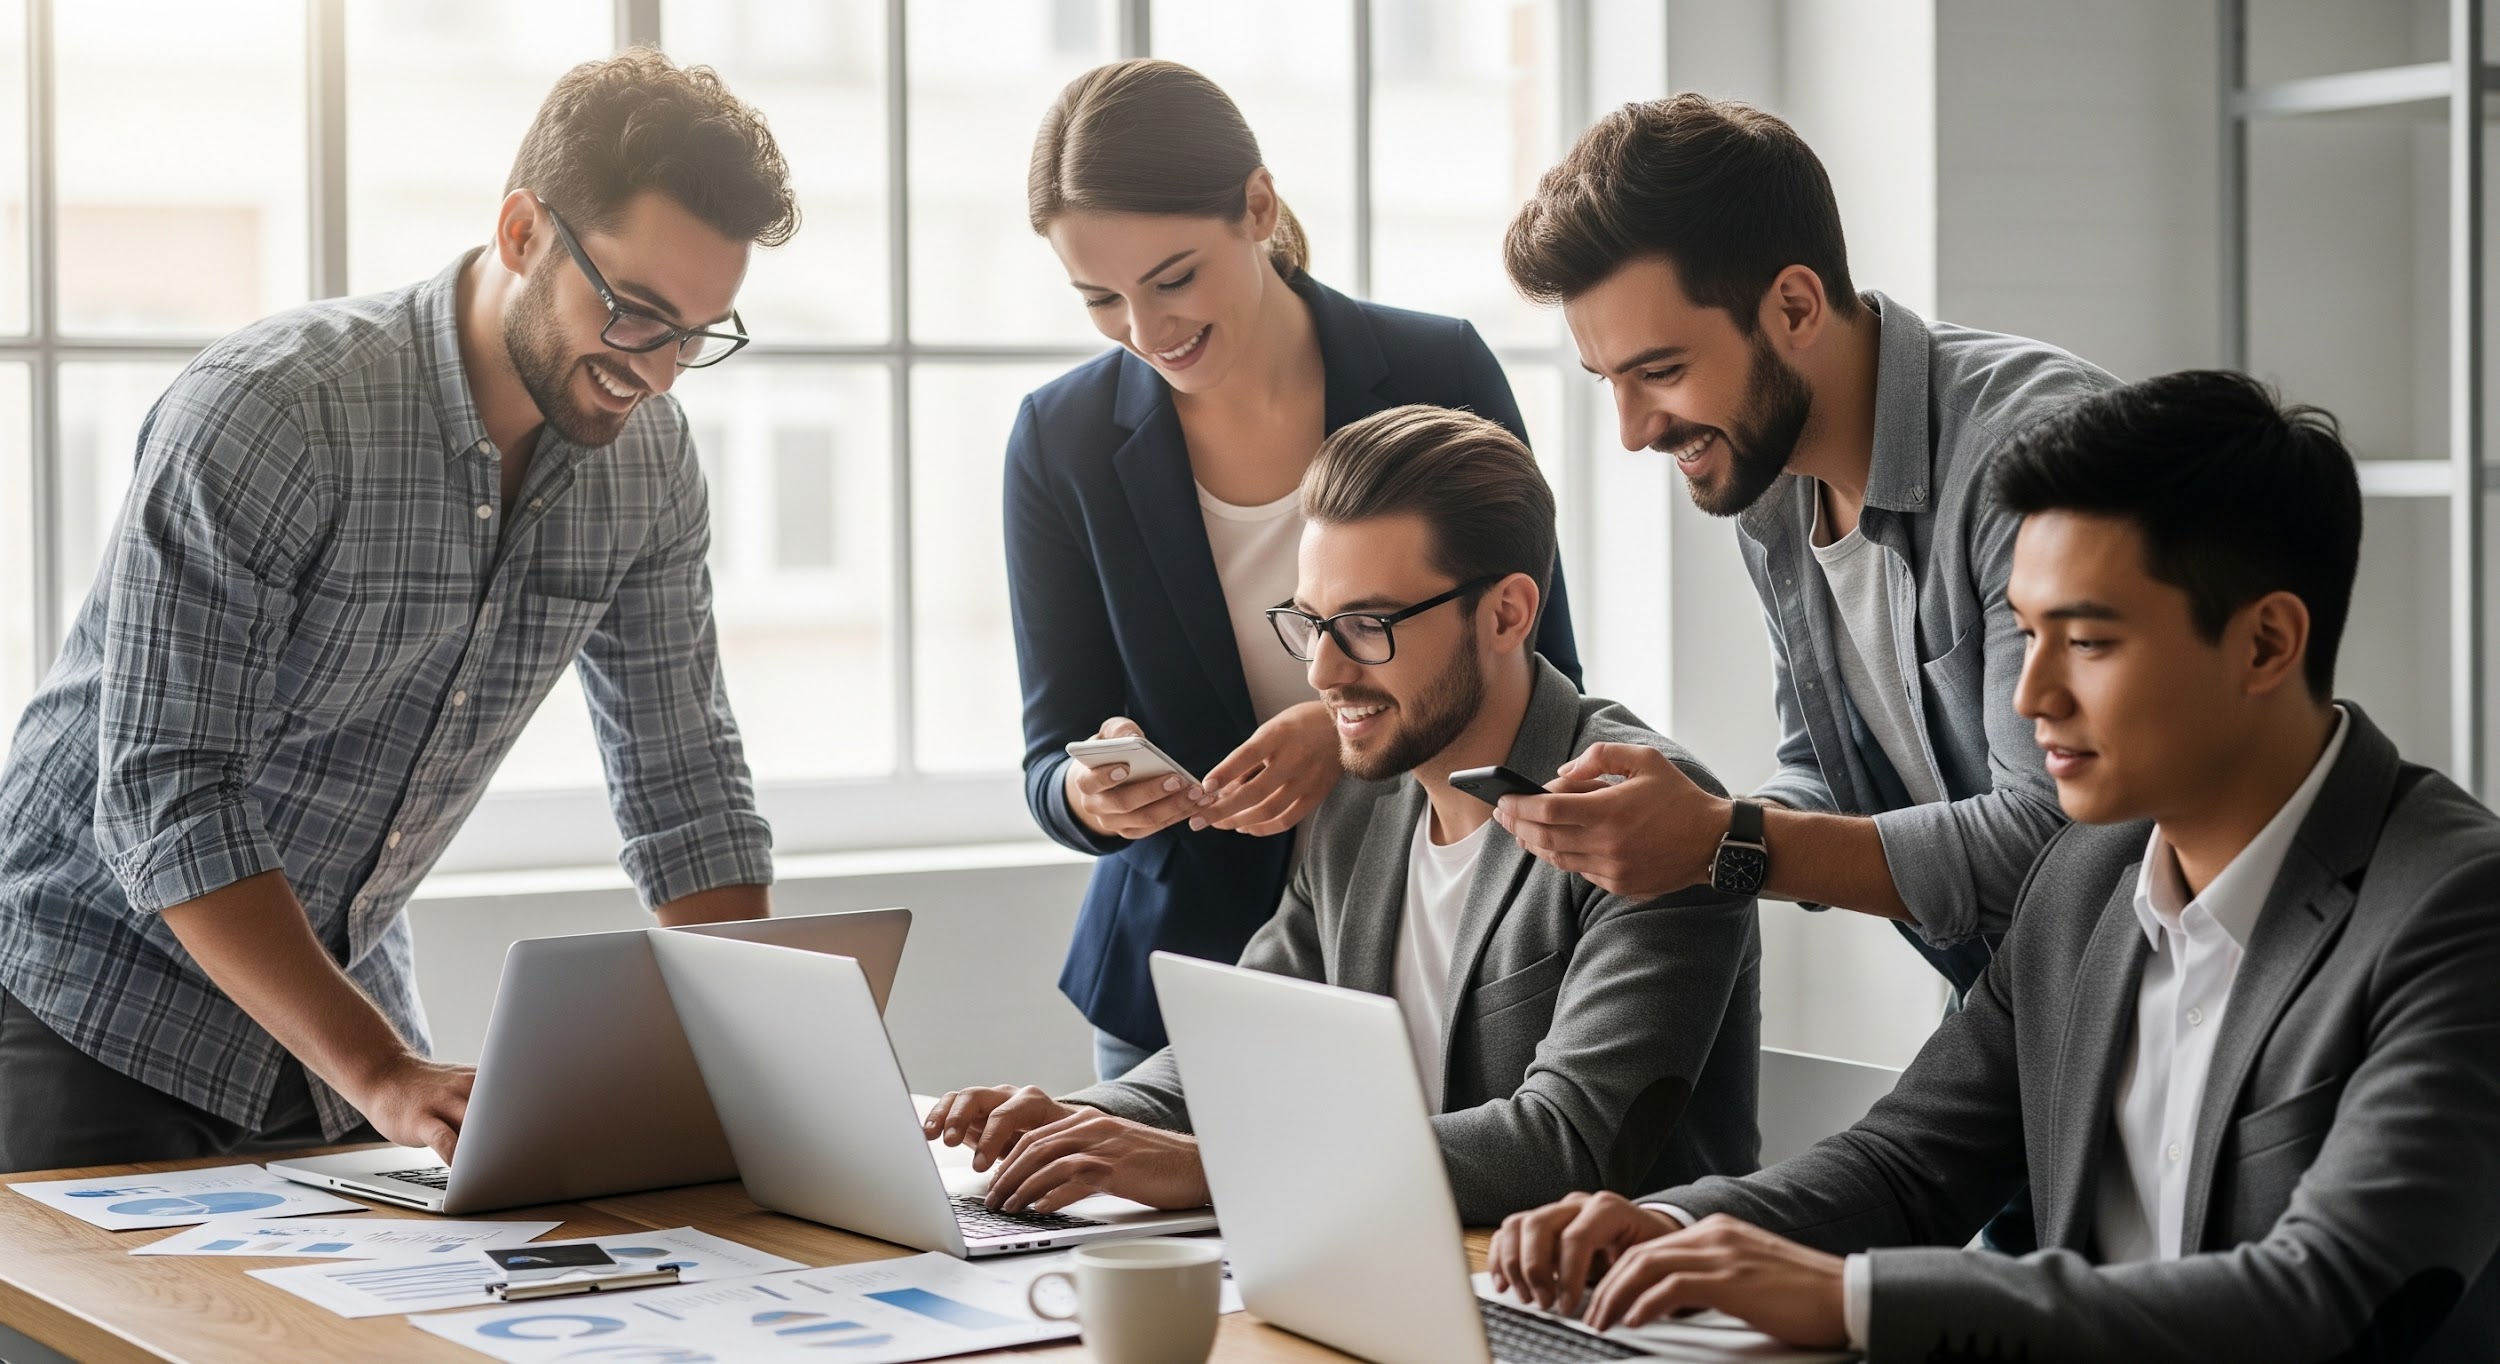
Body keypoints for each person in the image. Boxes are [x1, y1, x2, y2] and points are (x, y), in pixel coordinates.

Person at [1486, 372, 2500, 1363]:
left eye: (2089, 641)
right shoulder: (2085, 875)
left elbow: (2320, 1293)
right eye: (2027, 632)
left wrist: (1850, 1297)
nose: (2030, 697)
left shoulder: (2456, 906)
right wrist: (1663, 1226)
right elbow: (1904, 1166)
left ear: (2267, 641)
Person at [0, 50, 792, 1174]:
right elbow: (167, 787)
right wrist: (376, 1069)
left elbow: (686, 784)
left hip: (340, 1018)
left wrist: (770, 1076)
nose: (659, 373)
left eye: (697, 335)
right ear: (522, 233)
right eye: (634, 314)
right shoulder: (277, 411)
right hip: (89, 995)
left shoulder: (648, 466)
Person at [941, 405, 1756, 1224]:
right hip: (1391, 1269)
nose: (1323, 671)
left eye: (1366, 626)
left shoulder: (1651, 816)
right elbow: (1249, 1039)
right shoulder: (1364, 799)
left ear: (1507, 613)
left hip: (1603, 1313)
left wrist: (1219, 1168)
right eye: (1311, 622)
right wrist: (1084, 1121)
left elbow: (1567, 1143)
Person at [1006, 60, 1585, 1082]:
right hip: (1177, 979)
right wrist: (1093, 795)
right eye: (1100, 298)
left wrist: (1348, 728)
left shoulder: (1437, 370)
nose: (1147, 333)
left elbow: (1539, 665)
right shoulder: (1062, 439)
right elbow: (1049, 758)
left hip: (1434, 945)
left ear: (1257, 206)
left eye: (1173, 277)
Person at [1493, 94, 2113, 998]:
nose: (1632, 432)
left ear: (1793, 306)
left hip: (2152, 1015)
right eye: (1607, 383)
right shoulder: (1776, 485)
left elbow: (2061, 849)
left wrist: (1725, 841)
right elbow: (1829, 769)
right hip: (2011, 1012)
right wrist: (1696, 819)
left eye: (1661, 372)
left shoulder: (2035, 459)